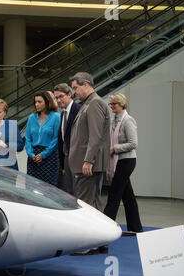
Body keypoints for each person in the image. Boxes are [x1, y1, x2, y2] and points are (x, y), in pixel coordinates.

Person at [68, 72, 110, 256]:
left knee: (87, 203)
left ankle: (90, 243)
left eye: (75, 88)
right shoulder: (89, 103)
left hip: (88, 164)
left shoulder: (95, 103)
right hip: (86, 163)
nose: (74, 92)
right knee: (93, 202)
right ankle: (100, 241)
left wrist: (88, 160)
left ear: (86, 85)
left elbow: (96, 136)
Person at [103, 93, 143, 235]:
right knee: (128, 196)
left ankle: (105, 228)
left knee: (114, 194)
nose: (112, 106)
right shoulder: (114, 120)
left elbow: (133, 143)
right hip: (118, 161)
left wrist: (115, 149)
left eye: (114, 104)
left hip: (126, 161)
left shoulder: (128, 120)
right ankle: (136, 228)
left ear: (122, 105)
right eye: (111, 104)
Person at [25, 91, 60, 186]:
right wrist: (31, 154)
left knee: (49, 188)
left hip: (50, 157)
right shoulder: (32, 117)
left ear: (47, 102)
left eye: (39, 102)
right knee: (31, 186)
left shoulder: (56, 117)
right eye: (35, 102)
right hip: (33, 157)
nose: (36, 104)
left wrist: (43, 155)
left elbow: (56, 139)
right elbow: (27, 138)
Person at [55, 83, 81, 195]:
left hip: (78, 158)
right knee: (69, 192)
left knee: (78, 193)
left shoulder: (79, 110)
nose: (58, 100)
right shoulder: (62, 114)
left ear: (69, 94)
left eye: (61, 96)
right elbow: (62, 139)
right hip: (66, 159)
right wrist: (62, 163)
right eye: (56, 98)